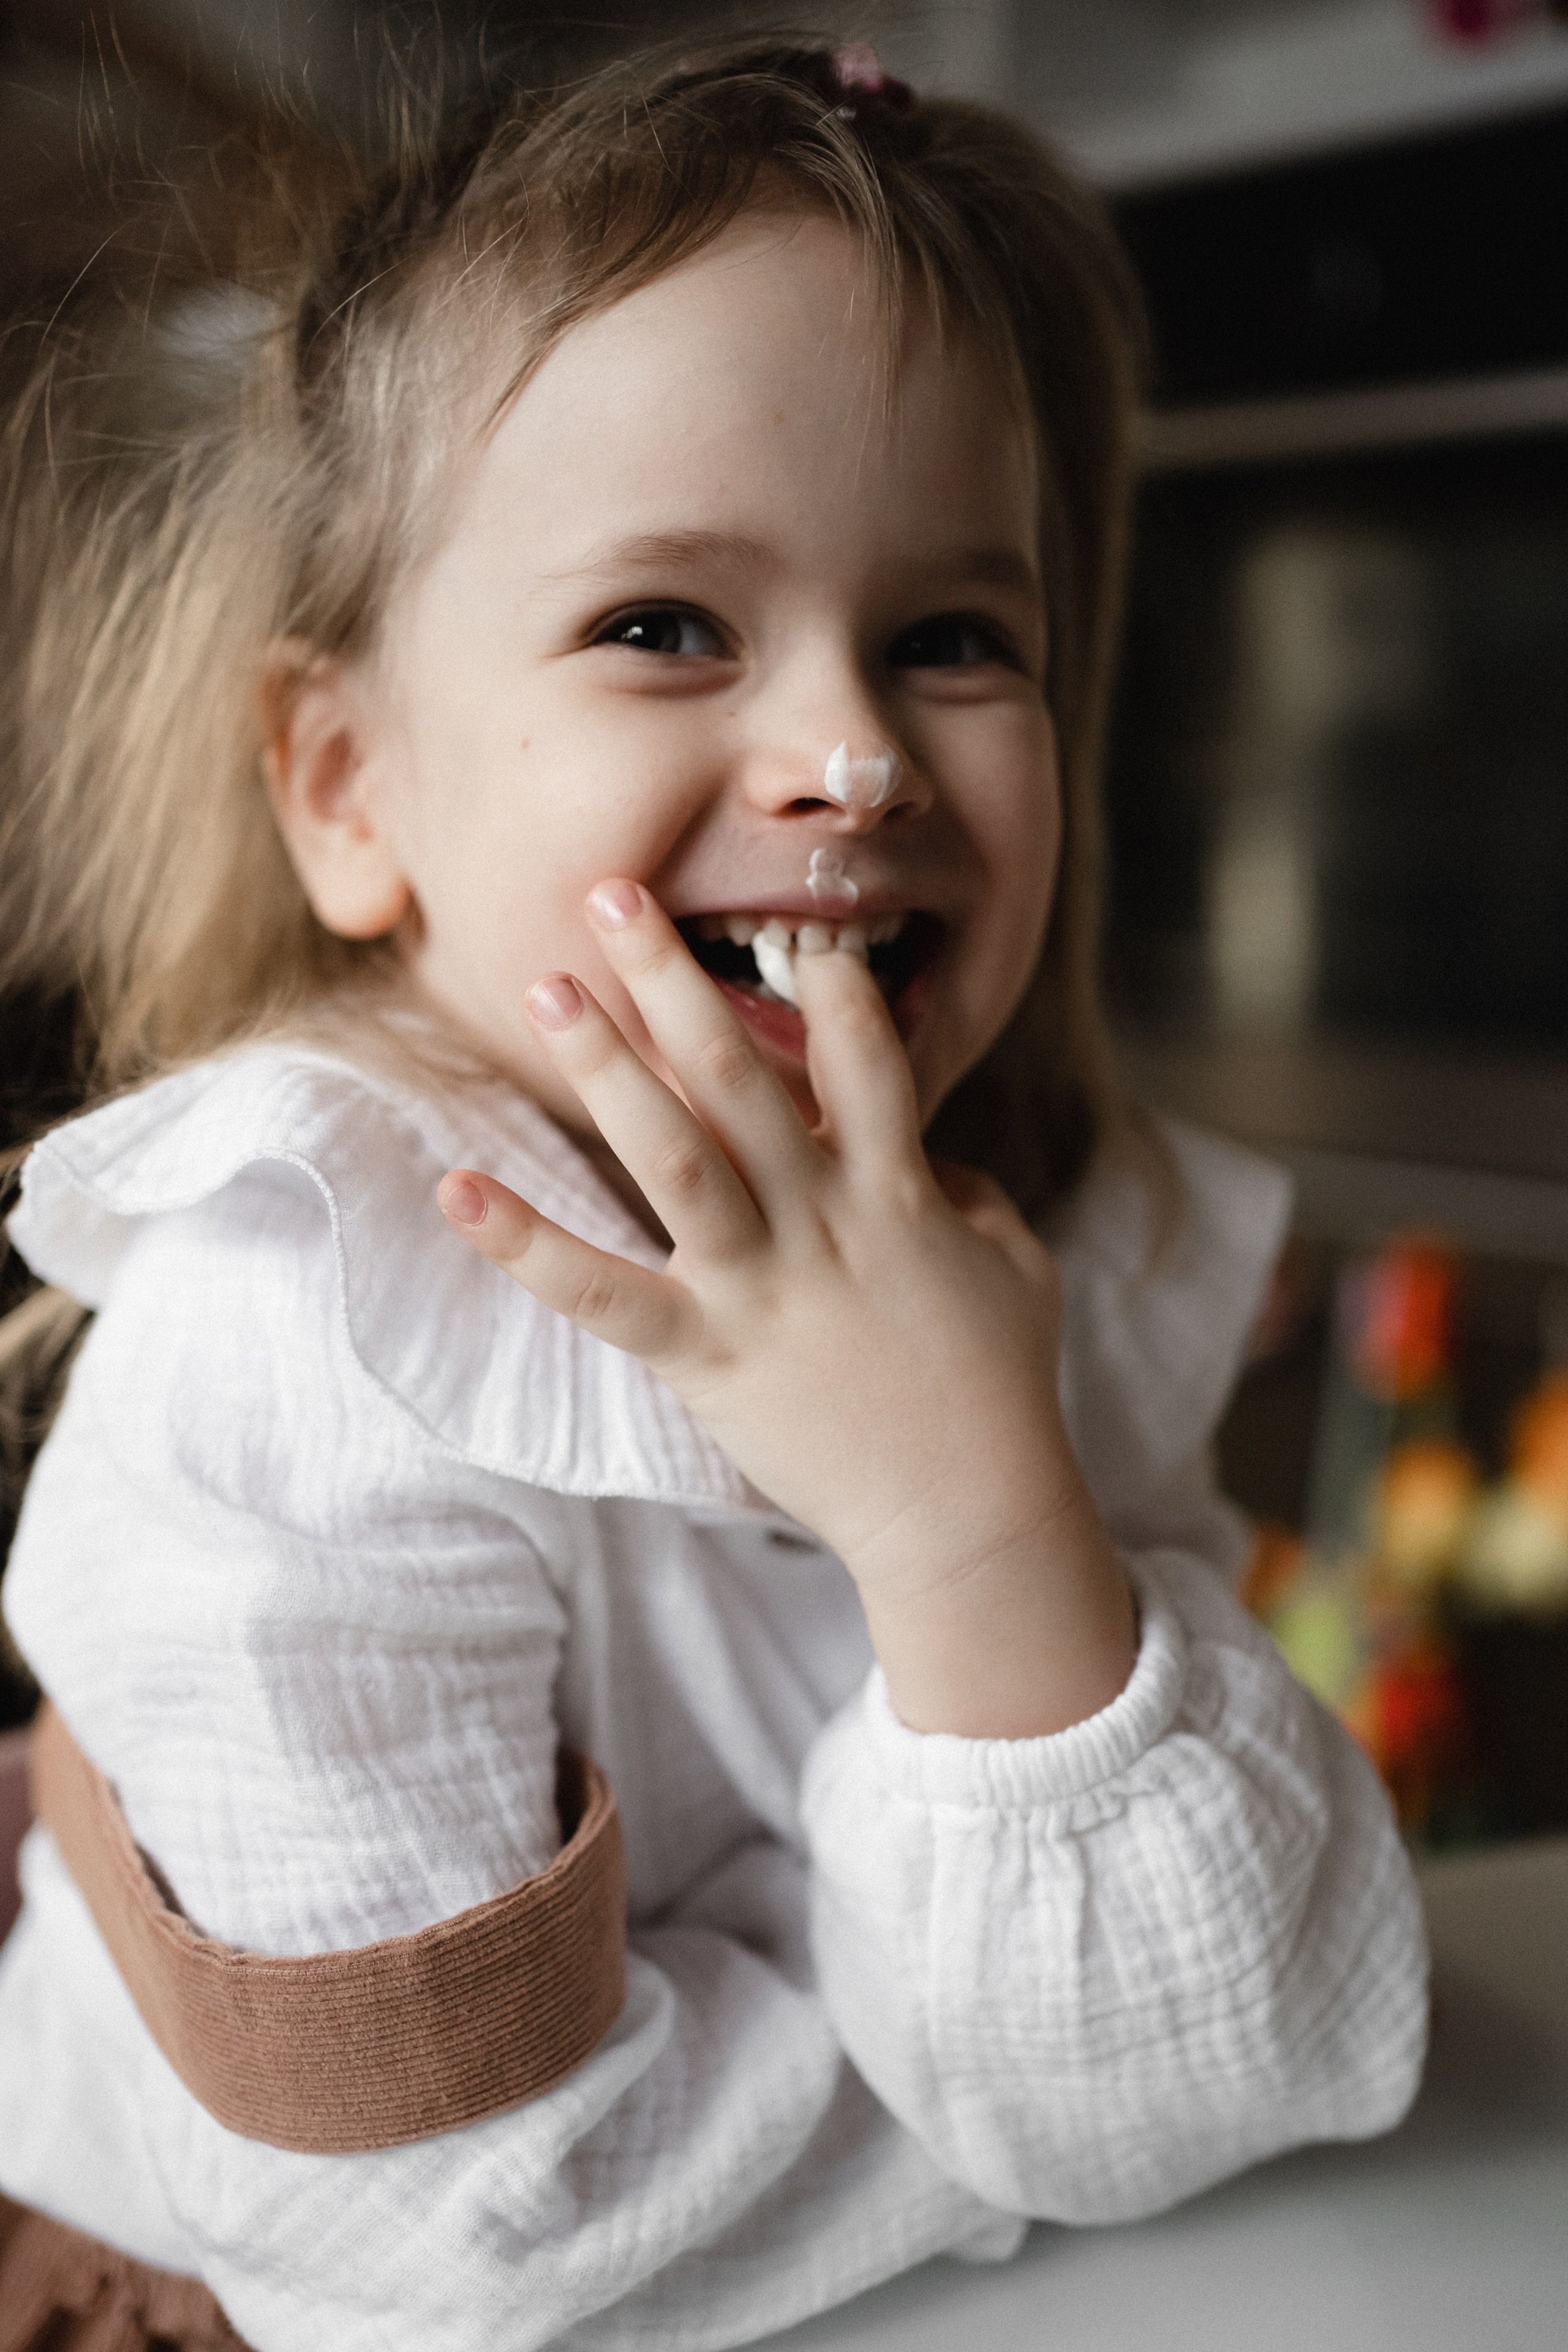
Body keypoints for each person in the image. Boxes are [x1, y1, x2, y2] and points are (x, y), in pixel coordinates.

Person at [0, 37, 1427, 2351]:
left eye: (959, 636)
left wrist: (970, 1510)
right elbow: (458, 2247)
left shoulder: (1017, 1239)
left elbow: (1243, 2061)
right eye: (667, 625)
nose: (855, 752)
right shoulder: (313, 1326)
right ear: (349, 788)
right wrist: (979, 2104)